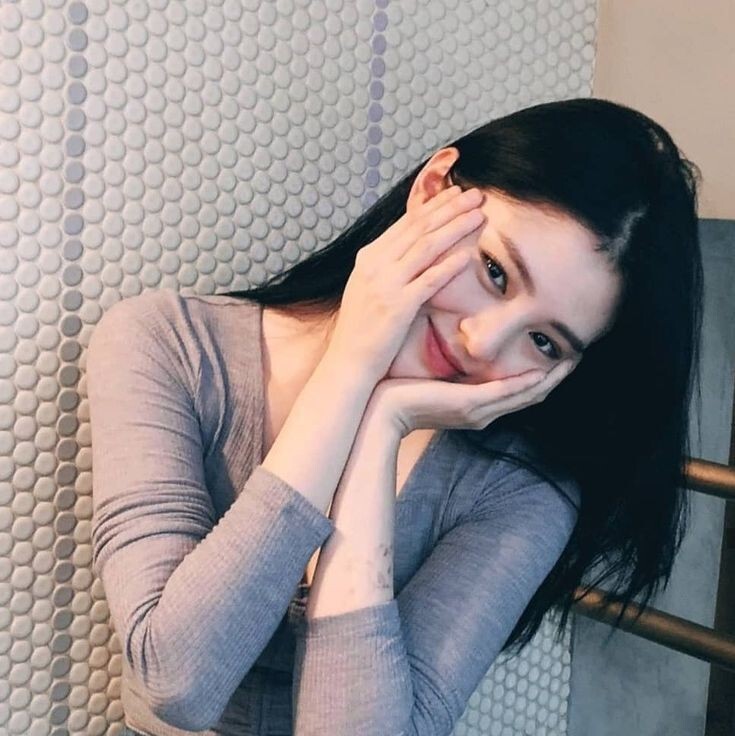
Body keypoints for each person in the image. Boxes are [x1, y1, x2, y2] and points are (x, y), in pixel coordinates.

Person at [87, 97, 703, 736]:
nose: (482, 342)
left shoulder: (520, 492)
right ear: (433, 191)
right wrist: (350, 372)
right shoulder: (169, 345)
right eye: (495, 272)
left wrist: (382, 427)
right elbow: (177, 682)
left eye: (544, 341)